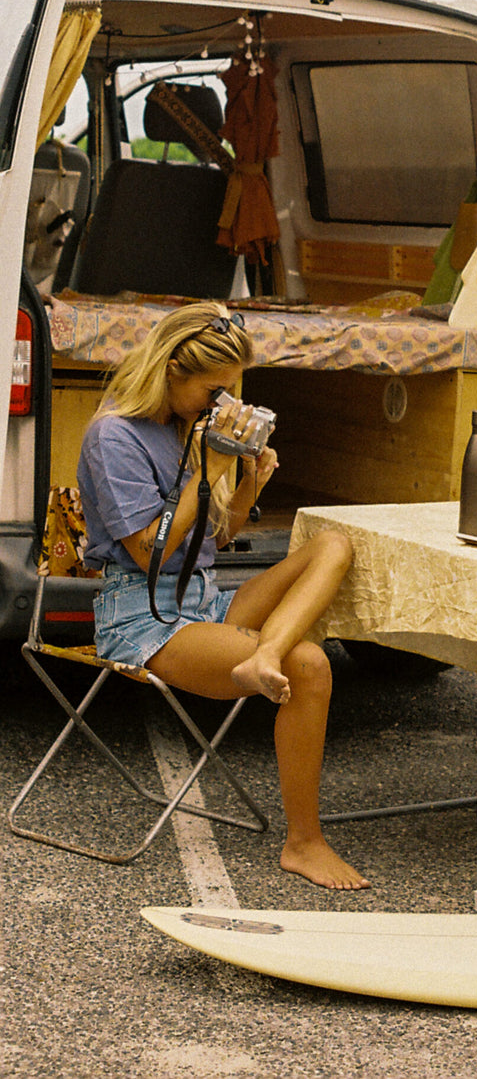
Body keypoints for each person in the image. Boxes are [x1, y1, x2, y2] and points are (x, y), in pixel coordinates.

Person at [77, 301, 369, 891]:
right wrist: (205, 466)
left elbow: (213, 540)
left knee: (333, 544)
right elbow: (150, 553)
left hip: (203, 601)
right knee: (309, 665)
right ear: (170, 372)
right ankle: (303, 843)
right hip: (144, 615)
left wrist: (250, 485)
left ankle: (266, 652)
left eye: (232, 390)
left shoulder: (192, 428)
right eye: (216, 391)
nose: (225, 404)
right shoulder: (115, 435)